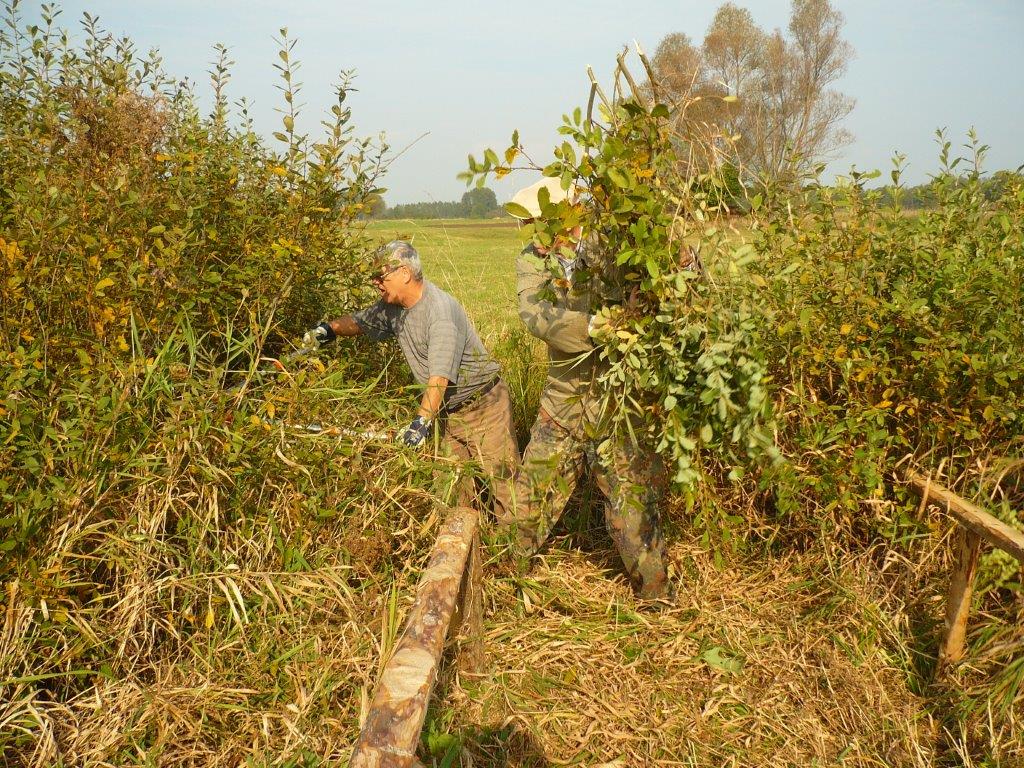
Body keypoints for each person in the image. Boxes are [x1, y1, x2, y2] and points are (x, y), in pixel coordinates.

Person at [507, 177, 672, 600]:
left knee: (633, 508)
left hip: (618, 405)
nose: (535, 234)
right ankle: (505, 579)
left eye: (542, 222)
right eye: (532, 225)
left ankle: (655, 597)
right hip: (562, 401)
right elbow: (537, 318)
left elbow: (660, 296)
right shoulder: (532, 261)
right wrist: (612, 327)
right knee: (529, 501)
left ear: (570, 215)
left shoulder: (614, 247)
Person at [304, 240, 519, 523]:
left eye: (381, 276)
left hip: (483, 406)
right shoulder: (394, 306)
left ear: (404, 273)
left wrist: (420, 424)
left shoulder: (439, 311)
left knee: (504, 484)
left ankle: (517, 554)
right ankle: (463, 553)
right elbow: (359, 322)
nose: (376, 283)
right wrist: (327, 331)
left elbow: (439, 377)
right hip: (445, 412)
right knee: (452, 489)